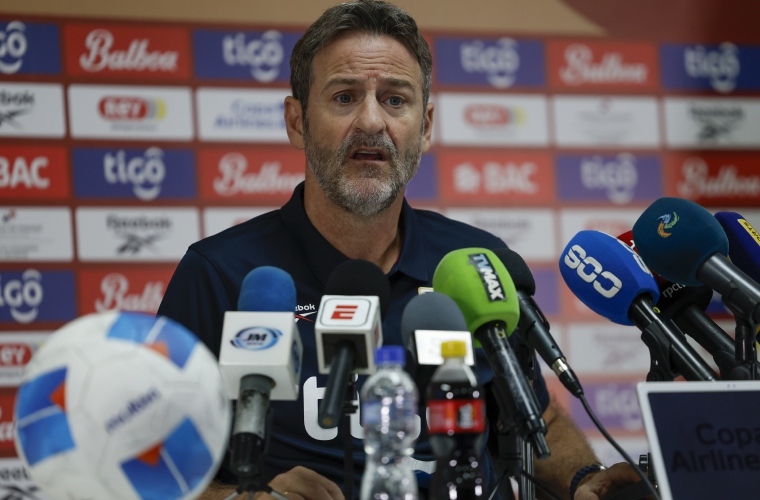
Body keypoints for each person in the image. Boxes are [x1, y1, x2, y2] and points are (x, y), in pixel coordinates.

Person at [158, 1, 642, 499]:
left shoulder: (474, 262)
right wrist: (244, 497)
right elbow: (150, 465)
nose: (371, 121)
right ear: (297, 121)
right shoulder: (220, 274)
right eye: (344, 97)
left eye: (395, 100)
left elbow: (533, 416)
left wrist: (585, 480)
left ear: (425, 125)